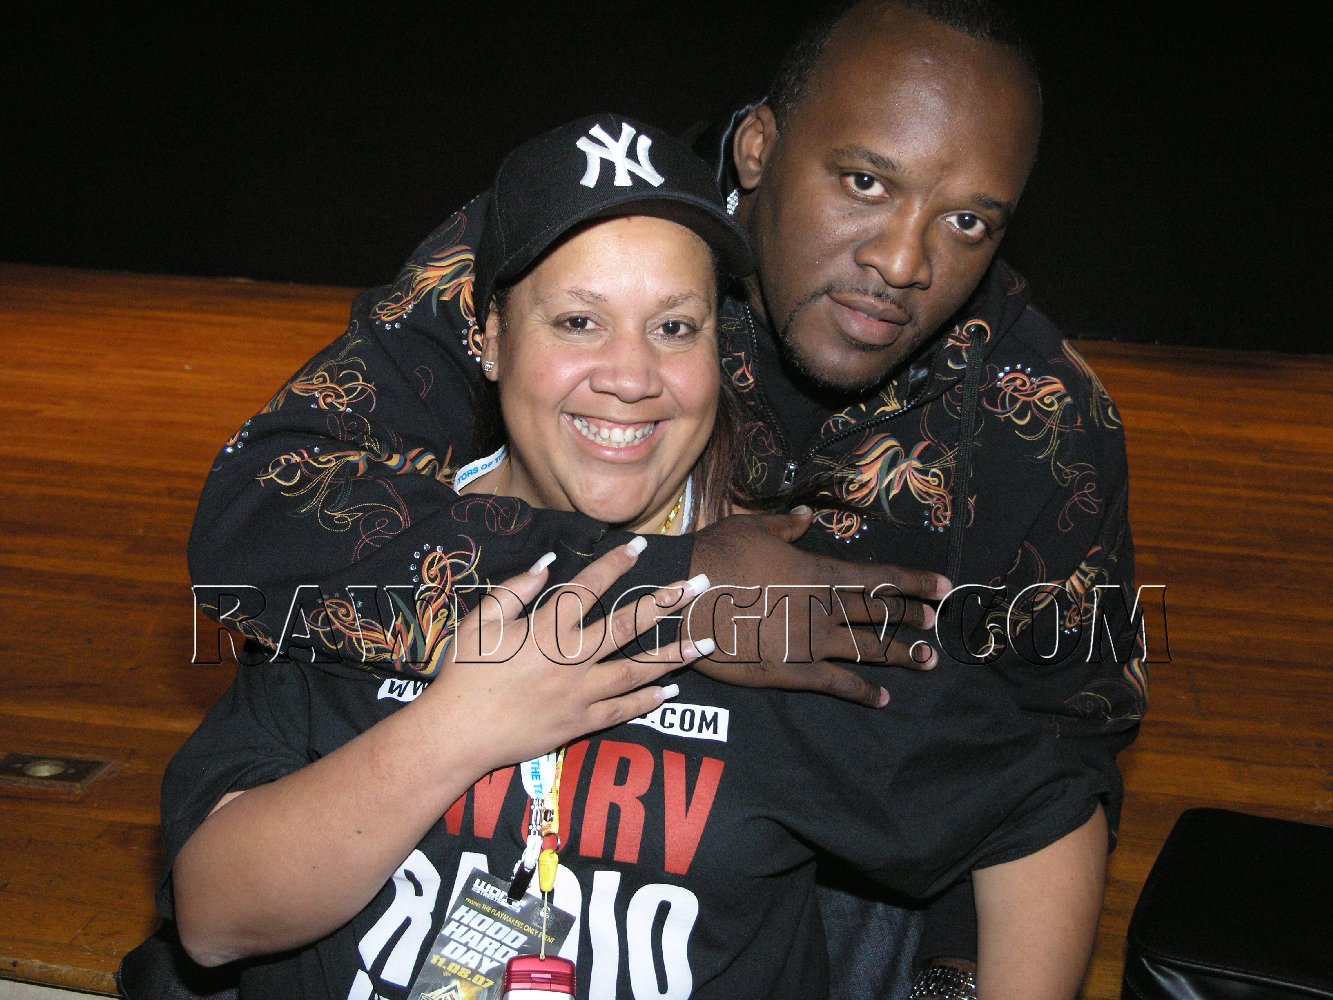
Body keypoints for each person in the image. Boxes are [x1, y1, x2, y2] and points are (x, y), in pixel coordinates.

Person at [185, 1, 1143, 995]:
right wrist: (677, 591)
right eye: (863, 182)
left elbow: (1061, 750)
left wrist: (952, 981)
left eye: (967, 221)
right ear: (762, 147)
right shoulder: (597, 223)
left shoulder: (1040, 414)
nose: (902, 261)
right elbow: (263, 510)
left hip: (845, 844)